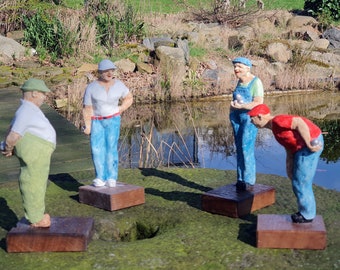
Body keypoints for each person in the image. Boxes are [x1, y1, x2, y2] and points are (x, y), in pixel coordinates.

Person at [248, 104, 324, 223]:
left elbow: (299, 123)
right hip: (300, 148)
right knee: (297, 181)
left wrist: (309, 143)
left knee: (301, 182)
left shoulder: (278, 121)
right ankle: (305, 212)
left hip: (310, 144)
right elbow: (289, 147)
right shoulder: (275, 130)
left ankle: (307, 215)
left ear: (260, 117)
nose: (252, 122)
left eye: (252, 119)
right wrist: (289, 165)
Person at [1, 78, 56, 228]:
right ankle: (35, 217)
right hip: (36, 151)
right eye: (43, 94)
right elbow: (14, 134)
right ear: (33, 93)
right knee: (33, 181)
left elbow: (11, 128)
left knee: (37, 180)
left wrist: (6, 146)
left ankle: (37, 214)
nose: (45, 97)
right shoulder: (26, 110)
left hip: (39, 150)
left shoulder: (26, 110)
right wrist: (8, 147)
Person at [83, 59, 133, 188]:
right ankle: (100, 177)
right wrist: (88, 126)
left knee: (111, 148)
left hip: (113, 120)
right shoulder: (91, 87)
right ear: (99, 72)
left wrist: (121, 108)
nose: (109, 73)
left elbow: (129, 98)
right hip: (97, 121)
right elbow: (87, 108)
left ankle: (112, 177)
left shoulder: (119, 85)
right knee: (97, 149)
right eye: (106, 71)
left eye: (111, 70)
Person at [229, 57, 264, 191]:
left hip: (249, 119)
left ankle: (249, 180)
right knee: (238, 148)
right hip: (236, 118)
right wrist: (232, 108)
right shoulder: (240, 81)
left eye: (239, 67)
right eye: (235, 67)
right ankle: (240, 179)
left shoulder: (256, 82)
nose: (236, 69)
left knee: (246, 147)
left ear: (247, 68)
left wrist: (242, 106)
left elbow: (258, 102)